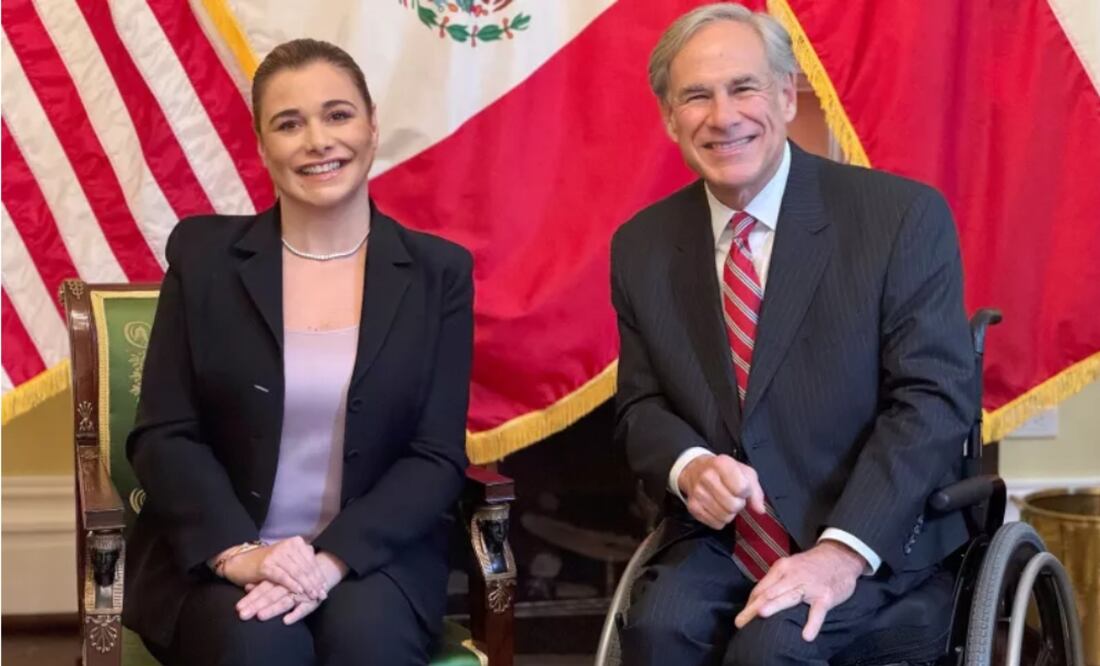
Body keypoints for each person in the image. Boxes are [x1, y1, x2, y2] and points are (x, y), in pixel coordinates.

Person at [610, 4, 976, 664]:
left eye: (743, 87)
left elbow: (933, 403)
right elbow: (640, 406)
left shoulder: (899, 219)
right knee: (657, 631)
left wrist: (842, 551)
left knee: (771, 647)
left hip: (871, 533)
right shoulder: (642, 247)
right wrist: (690, 465)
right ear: (670, 118)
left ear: (784, 95)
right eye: (696, 96)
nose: (723, 117)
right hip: (722, 538)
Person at [123, 38, 473, 665]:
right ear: (262, 147)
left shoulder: (437, 273)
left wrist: (331, 559)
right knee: (258, 648)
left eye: (337, 114)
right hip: (222, 555)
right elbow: (164, 435)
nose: (317, 140)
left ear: (371, 128)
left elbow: (435, 455)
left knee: (370, 645)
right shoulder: (203, 259)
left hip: (370, 559)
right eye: (289, 123)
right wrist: (242, 555)